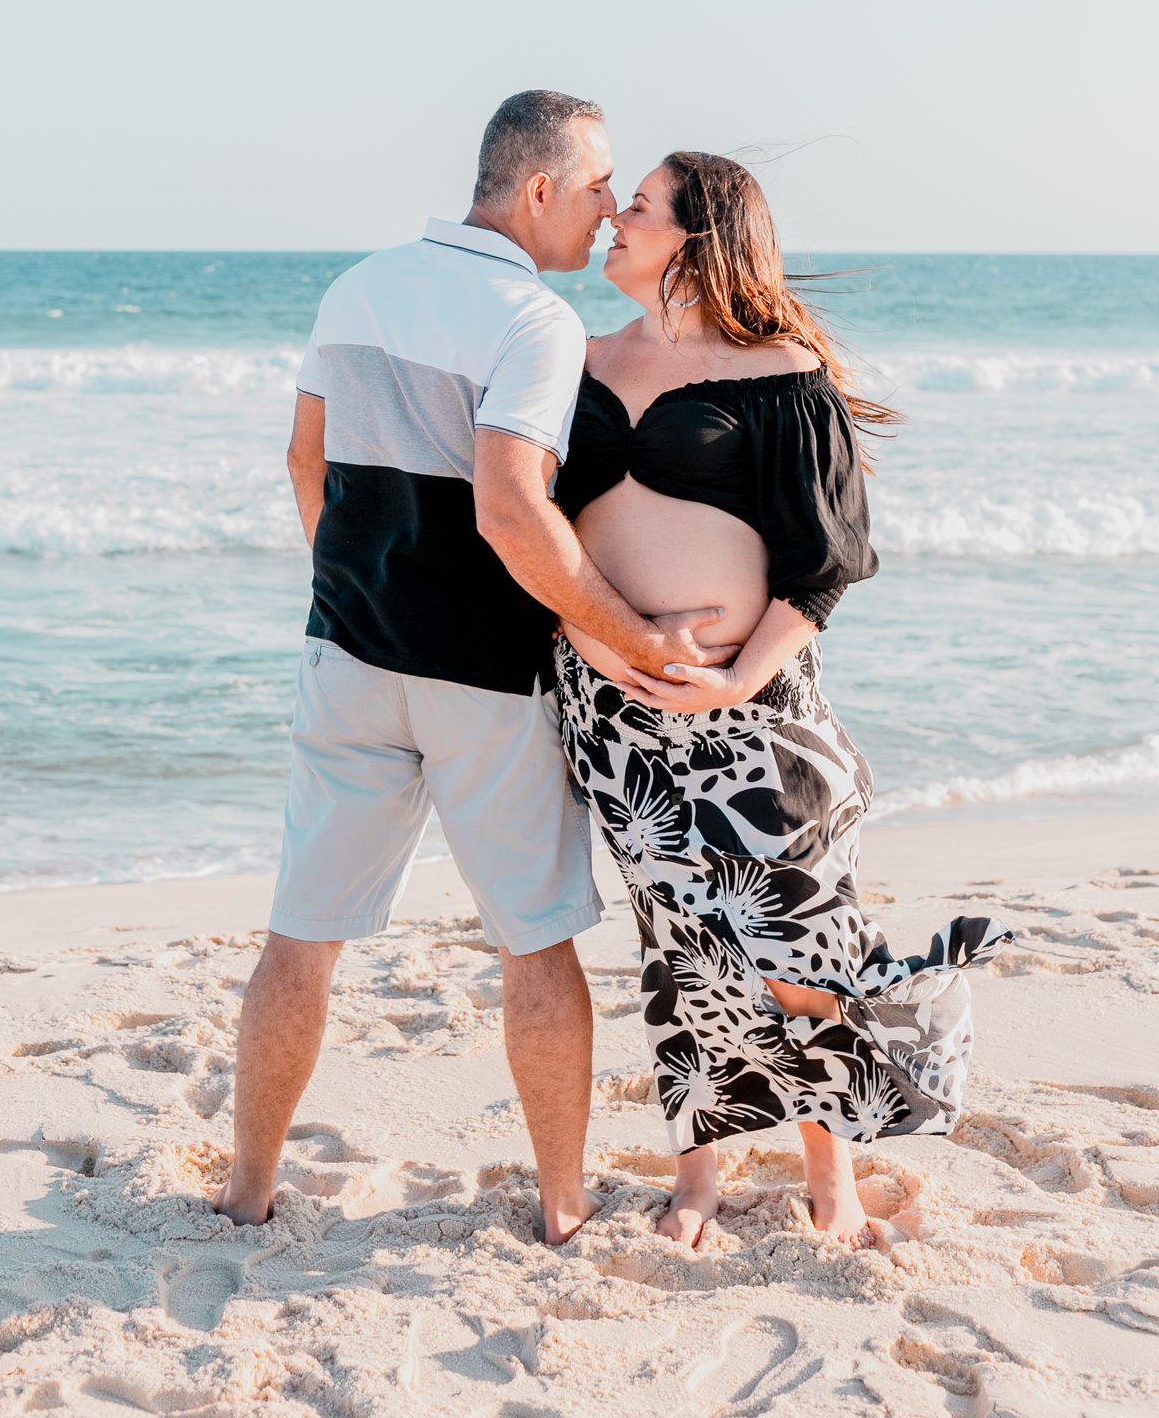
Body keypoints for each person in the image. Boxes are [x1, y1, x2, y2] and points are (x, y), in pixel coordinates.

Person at [215, 93, 732, 1244]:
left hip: (346, 652)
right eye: (598, 185)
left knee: (301, 934)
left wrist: (356, 588)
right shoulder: (531, 319)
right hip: (484, 680)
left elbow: (305, 457)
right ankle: (560, 1205)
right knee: (534, 938)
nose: (608, 208)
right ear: (537, 189)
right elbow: (512, 513)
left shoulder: (360, 285)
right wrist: (641, 638)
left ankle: (247, 1192)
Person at [553, 152, 1011, 1250]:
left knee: (794, 941)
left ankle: (833, 1176)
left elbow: (825, 562)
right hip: (613, 715)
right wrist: (598, 641)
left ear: (700, 237)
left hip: (754, 710)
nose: (614, 217)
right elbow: (537, 535)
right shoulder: (570, 362)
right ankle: (699, 1177)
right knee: (680, 944)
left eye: (641, 206)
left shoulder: (780, 369)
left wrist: (732, 678)